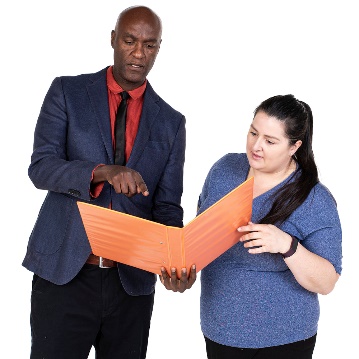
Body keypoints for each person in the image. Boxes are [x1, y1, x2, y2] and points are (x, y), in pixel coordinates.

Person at [23, 5, 195, 359]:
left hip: (130, 286)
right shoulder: (67, 92)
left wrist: (174, 260)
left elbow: (166, 207)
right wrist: (103, 172)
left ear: (158, 49)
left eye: (149, 45)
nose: (138, 53)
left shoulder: (171, 123)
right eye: (130, 41)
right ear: (114, 39)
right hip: (64, 276)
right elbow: (41, 167)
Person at [196, 94, 342, 359]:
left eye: (270, 141)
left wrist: (287, 245)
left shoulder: (315, 199)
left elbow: (327, 281)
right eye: (253, 133)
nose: (256, 146)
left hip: (284, 340)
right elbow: (200, 239)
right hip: (220, 331)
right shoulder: (223, 170)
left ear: (294, 146)